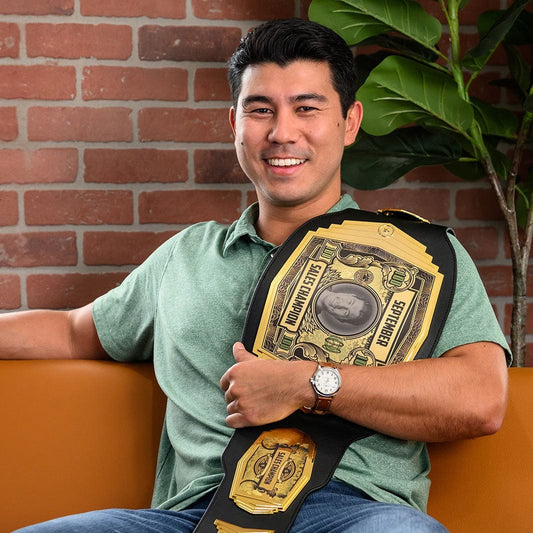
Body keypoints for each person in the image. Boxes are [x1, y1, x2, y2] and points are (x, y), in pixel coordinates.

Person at [1, 18, 509, 533]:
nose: (282, 133)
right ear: (235, 123)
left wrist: (310, 384)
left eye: (306, 108)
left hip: (353, 513)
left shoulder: (424, 256)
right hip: (195, 516)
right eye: (260, 109)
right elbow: (73, 331)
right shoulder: (187, 255)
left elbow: (481, 398)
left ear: (350, 122)